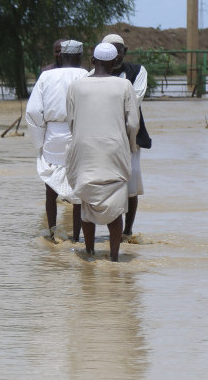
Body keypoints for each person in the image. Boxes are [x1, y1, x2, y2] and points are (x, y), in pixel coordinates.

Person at [65, 43, 139, 261]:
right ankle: (114, 258)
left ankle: (89, 253)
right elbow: (133, 123)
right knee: (116, 205)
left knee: (87, 201)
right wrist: (129, 145)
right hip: (114, 149)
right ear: (115, 62)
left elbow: (71, 120)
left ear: (93, 61)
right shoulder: (124, 85)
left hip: (84, 148)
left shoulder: (76, 86)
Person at [25, 40, 88, 241]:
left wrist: (40, 140)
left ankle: (53, 233)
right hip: (78, 133)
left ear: (61, 55)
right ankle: (77, 238)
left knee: (50, 188)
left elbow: (34, 111)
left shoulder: (46, 76)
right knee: (79, 190)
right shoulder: (86, 76)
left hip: (52, 134)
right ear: (79, 57)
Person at [102, 33, 150, 237]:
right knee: (105, 183)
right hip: (102, 137)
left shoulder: (138, 71)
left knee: (131, 185)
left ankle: (127, 232)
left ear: (124, 52)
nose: (116, 57)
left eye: (118, 52)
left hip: (131, 137)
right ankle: (110, 232)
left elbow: (135, 100)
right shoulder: (91, 75)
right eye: (111, 52)